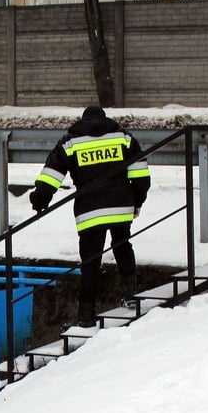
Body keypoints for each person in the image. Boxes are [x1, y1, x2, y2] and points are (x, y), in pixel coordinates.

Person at [28, 106, 150, 327]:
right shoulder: (124, 139)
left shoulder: (70, 142)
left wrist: (40, 202)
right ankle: (131, 294)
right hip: (120, 206)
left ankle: (86, 315)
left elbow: (51, 175)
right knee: (122, 246)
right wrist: (137, 201)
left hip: (90, 210)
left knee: (91, 262)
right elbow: (141, 174)